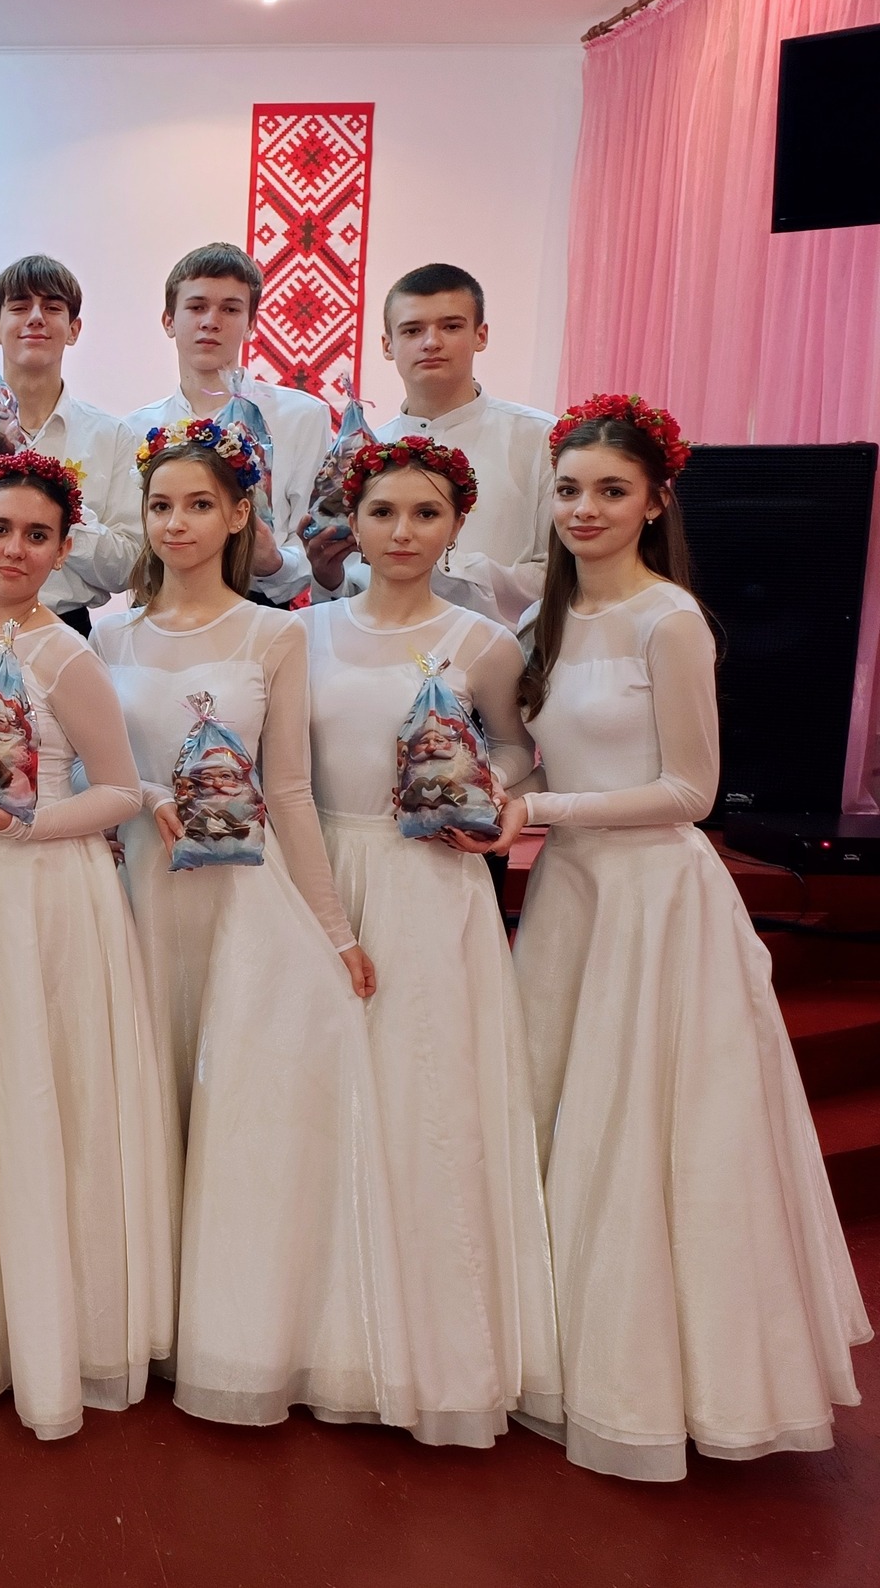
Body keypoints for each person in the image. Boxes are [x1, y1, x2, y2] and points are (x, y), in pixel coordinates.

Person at [489, 395, 870, 1480]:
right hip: (570, 897)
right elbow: (527, 751)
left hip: (654, 900)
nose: (585, 509)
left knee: (644, 1126)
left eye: (611, 490)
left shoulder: (670, 620)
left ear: (656, 502)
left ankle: (659, 1375)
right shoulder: (547, 619)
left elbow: (689, 792)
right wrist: (478, 783)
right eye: (569, 489)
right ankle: (552, 1349)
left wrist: (537, 809)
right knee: (561, 1111)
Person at [90, 420, 412, 1431]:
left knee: (238, 1105)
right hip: (138, 888)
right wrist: (143, 796)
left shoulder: (275, 634)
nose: (176, 523)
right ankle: (135, 1311)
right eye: (160, 506)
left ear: (239, 515)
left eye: (198, 504)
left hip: (241, 893)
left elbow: (293, 790)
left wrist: (334, 927)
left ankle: (227, 1326)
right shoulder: (109, 634)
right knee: (139, 1094)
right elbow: (90, 771)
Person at [0, 449, 178, 1440]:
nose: (13, 550)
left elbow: (119, 790)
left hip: (47, 891)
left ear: (63, 550)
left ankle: (59, 1327)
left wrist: (24, 825)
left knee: (39, 1093)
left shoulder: (67, 654)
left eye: (36, 535)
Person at [301, 435, 561, 1447]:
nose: (401, 532)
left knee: (426, 1089)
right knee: (323, 1088)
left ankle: (432, 1332)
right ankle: (326, 1319)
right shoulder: (305, 631)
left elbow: (518, 748)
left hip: (428, 875)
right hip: (326, 866)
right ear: (352, 522)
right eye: (382, 512)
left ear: (455, 524)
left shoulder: (483, 642)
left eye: (424, 513)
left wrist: (484, 789)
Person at [308, 265, 552, 625]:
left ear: (481, 335)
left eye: (450, 327)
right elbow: (351, 589)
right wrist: (328, 577)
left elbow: (561, 573)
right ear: (387, 345)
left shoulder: (541, 439)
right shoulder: (364, 450)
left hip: (504, 649)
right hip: (379, 646)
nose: (431, 342)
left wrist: (445, 566)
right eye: (412, 330)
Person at [0, 255, 140, 632]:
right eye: (20, 307)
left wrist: (64, 515)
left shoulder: (112, 437)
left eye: (52, 307)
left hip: (69, 630)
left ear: (73, 329)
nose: (35, 317)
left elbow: (127, 569)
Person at [125, 242, 329, 606]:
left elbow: (314, 540)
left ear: (251, 324)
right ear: (169, 321)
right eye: (197, 306)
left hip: (261, 607)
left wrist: (272, 562)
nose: (210, 321)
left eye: (230, 309)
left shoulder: (301, 416)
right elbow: (131, 545)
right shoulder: (136, 427)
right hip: (161, 607)